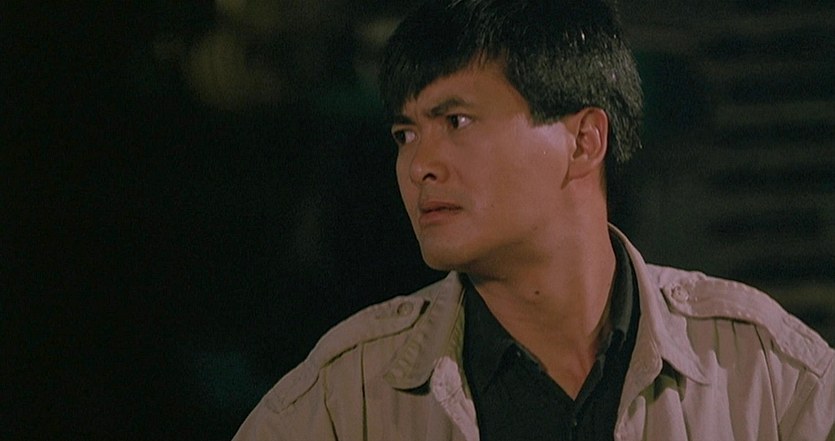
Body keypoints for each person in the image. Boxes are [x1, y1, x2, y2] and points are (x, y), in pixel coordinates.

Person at [233, 0, 835, 439]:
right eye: (405, 134)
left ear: (584, 141)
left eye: (457, 122)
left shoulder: (762, 376)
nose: (419, 166)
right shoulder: (349, 399)